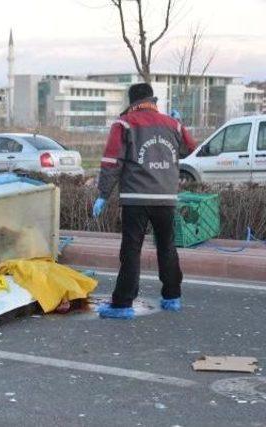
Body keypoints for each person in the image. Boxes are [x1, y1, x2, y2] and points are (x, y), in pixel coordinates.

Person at [92, 83, 197, 319]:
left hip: (135, 198)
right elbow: (190, 148)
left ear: (132, 102)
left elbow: (112, 161)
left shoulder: (124, 124)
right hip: (166, 198)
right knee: (167, 247)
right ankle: (172, 297)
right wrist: (180, 125)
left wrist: (103, 194)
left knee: (131, 250)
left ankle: (122, 304)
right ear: (153, 100)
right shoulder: (173, 124)